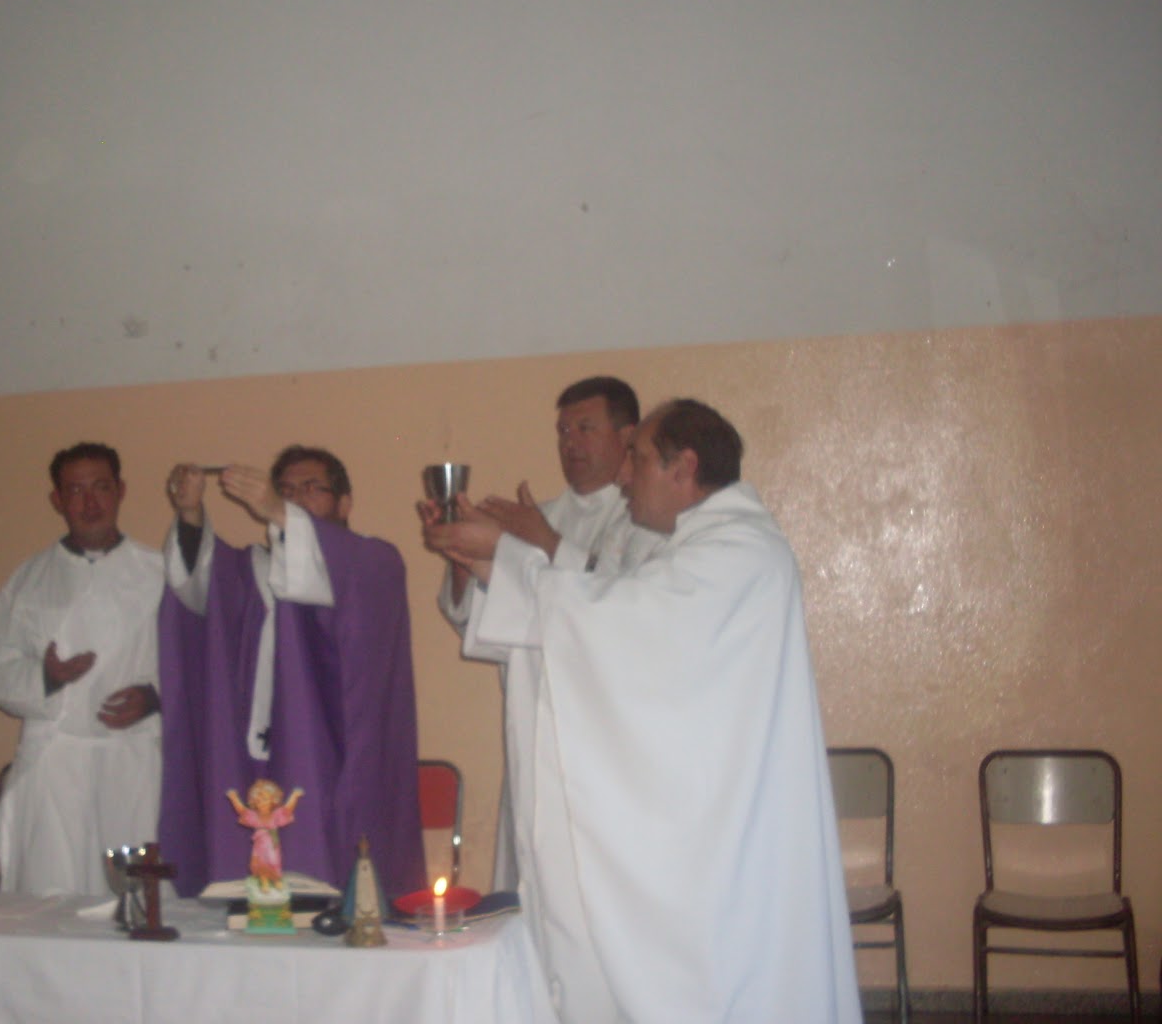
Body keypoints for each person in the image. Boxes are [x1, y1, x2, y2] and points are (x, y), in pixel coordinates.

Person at [425, 400, 861, 1023]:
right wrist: (496, 564)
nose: (625, 477)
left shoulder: (740, 553)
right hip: (704, 807)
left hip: (722, 826)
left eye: (638, 460)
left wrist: (509, 557)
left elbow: (627, 622)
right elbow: (613, 607)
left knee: (725, 979)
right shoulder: (707, 547)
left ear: (684, 467)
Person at [158, 446, 425, 899]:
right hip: (253, 761)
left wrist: (280, 512)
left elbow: (333, 574)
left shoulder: (373, 561)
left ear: (345, 503)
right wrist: (189, 516)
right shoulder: (248, 571)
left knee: (330, 881)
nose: (297, 499)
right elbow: (196, 591)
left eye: (311, 488)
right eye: (286, 491)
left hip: (334, 758)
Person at [423, 374, 650, 890]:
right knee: (533, 884)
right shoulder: (536, 516)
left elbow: (626, 611)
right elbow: (476, 621)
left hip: (608, 737)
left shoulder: (645, 519)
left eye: (585, 428)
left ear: (627, 436)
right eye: (563, 431)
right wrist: (461, 554)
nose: (570, 443)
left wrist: (545, 542)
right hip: (535, 723)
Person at [0, 442, 164, 894]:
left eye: (100, 487)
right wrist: (46, 678)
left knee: (138, 896)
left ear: (120, 491)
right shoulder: (29, 582)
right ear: (57, 500)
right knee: (53, 891)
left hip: (134, 758)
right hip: (56, 760)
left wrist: (155, 697)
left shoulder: (157, 574)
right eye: (76, 491)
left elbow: (192, 662)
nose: (90, 503)